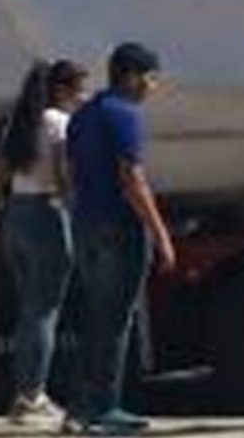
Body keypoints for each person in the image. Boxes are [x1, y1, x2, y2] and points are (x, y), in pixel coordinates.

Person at [64, 43, 177, 436]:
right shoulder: (125, 115)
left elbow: (70, 174)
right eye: (150, 78)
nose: (152, 87)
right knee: (116, 320)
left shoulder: (81, 116)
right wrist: (162, 235)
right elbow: (132, 179)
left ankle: (79, 405)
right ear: (130, 76)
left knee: (95, 316)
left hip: (85, 224)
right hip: (118, 225)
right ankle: (104, 407)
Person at [0, 59, 89, 427]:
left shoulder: (19, 124)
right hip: (48, 211)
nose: (83, 97)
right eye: (79, 90)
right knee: (45, 310)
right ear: (61, 90)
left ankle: (24, 390)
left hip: (16, 212)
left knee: (29, 310)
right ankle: (32, 394)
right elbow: (64, 175)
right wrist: (76, 212)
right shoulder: (59, 123)